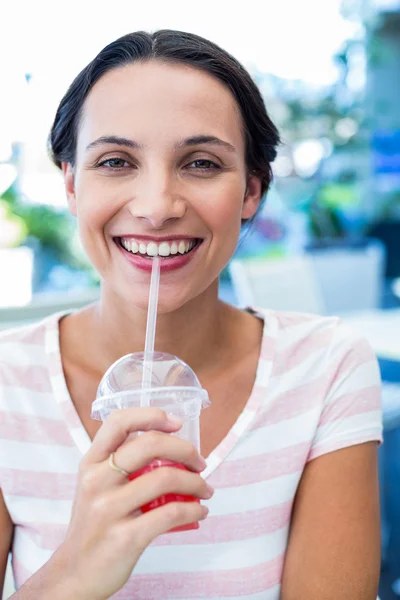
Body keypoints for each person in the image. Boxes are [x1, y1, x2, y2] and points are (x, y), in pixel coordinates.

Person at [0, 29, 382, 600]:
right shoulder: (8, 382)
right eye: (115, 161)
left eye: (201, 163)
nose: (157, 207)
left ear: (252, 190)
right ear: (72, 185)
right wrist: (75, 571)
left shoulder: (326, 367)